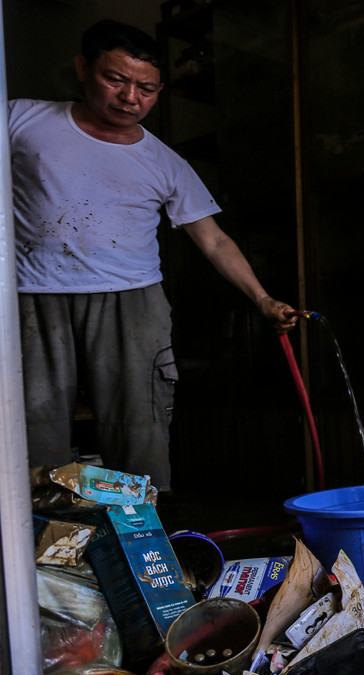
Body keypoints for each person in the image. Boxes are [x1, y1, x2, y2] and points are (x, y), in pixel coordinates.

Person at [9, 19, 297, 490]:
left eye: (146, 88)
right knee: (33, 431)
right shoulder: (22, 119)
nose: (130, 97)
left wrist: (262, 298)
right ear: (83, 68)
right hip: (32, 295)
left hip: (132, 301)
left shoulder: (164, 161)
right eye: (116, 79)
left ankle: (143, 548)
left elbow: (213, 239)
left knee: (137, 429)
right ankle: (47, 551)